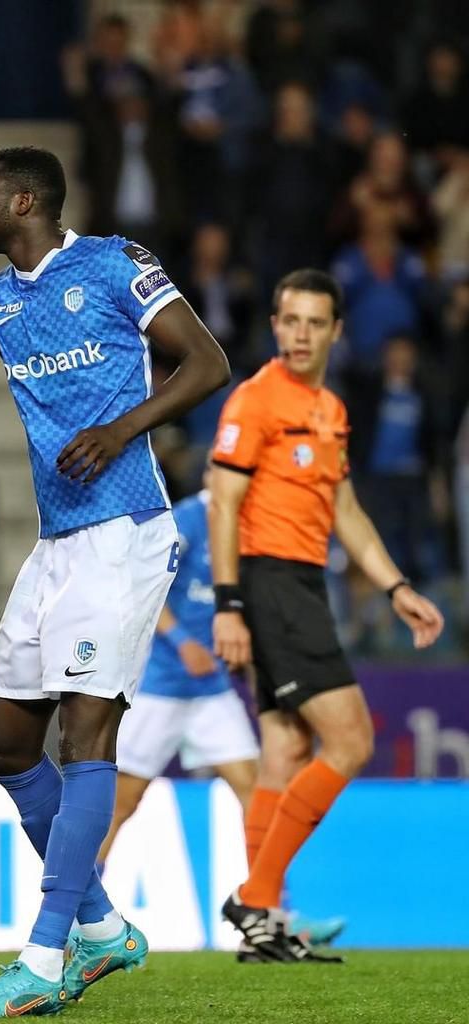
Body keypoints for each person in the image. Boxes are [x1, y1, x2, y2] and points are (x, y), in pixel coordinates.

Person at [0, 146, 229, 1017]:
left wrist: (121, 428)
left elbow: (207, 363)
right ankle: (102, 931)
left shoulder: (113, 266)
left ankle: (43, 953)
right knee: (7, 746)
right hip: (58, 540)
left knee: (85, 735)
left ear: (23, 200)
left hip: (128, 530)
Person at [209, 268, 444, 962]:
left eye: (316, 322)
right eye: (290, 320)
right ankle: (258, 897)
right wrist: (229, 605)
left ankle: (267, 922)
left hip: (304, 583)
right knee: (352, 740)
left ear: (337, 331)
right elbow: (223, 504)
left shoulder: (330, 410)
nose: (301, 333)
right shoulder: (255, 401)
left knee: (287, 749)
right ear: (276, 325)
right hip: (270, 582)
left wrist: (396, 585)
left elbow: (345, 512)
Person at [96, 469, 346, 959]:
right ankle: (83, 918)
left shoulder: (251, 526)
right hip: (162, 685)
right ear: (213, 474)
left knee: (256, 793)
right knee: (122, 805)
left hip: (212, 691)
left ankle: (273, 916)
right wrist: (182, 641)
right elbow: (142, 587)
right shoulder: (187, 519)